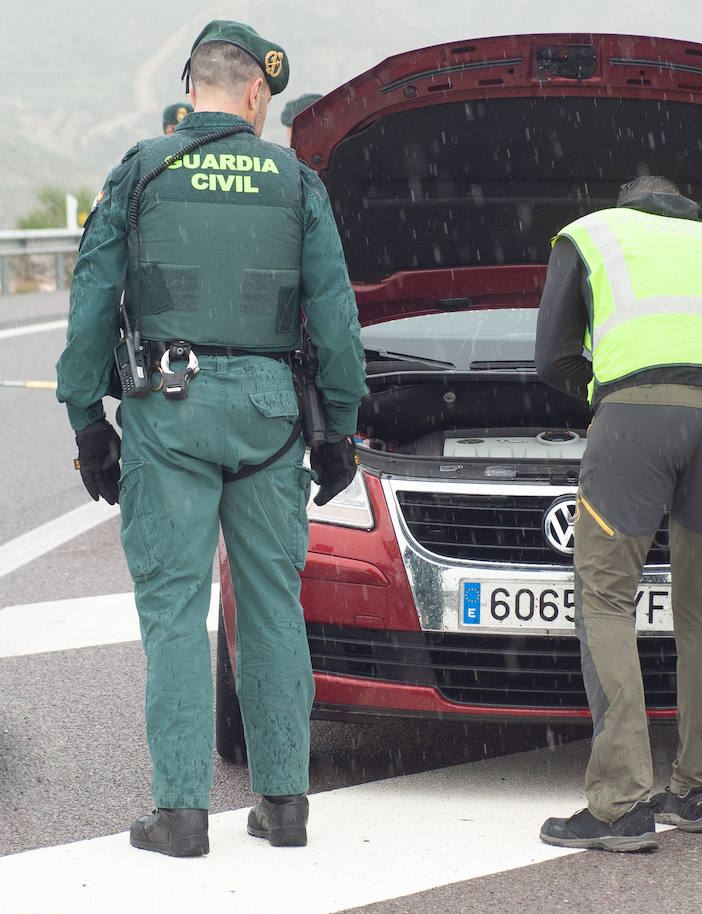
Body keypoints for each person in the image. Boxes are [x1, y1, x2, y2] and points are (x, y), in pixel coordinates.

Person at [56, 19, 366, 857]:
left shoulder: (142, 171)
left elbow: (92, 299)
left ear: (193, 87)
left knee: (174, 612)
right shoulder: (296, 181)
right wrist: (340, 426)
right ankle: (284, 803)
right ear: (256, 92)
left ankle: (182, 814)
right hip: (270, 417)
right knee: (271, 609)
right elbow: (336, 315)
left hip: (170, 409)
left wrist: (89, 421)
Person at [534, 175, 702, 852]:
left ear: (626, 208)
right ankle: (698, 791)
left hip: (635, 417)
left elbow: (552, 357)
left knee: (606, 599)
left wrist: (610, 391)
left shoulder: (591, 236)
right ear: (685, 210)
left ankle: (620, 805)